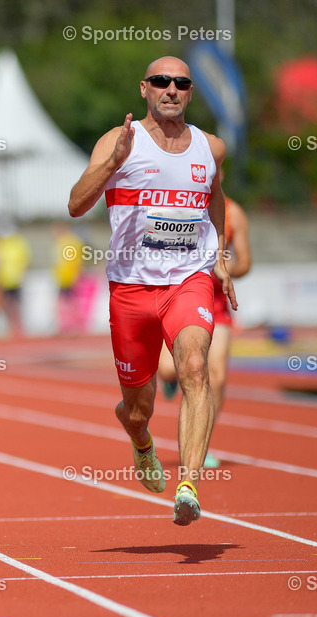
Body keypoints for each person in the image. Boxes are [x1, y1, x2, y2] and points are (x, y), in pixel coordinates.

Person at [68, 56, 236, 526]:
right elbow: (77, 204)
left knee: (196, 367)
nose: (171, 89)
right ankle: (140, 438)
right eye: (161, 81)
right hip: (131, 289)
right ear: (144, 89)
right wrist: (113, 164)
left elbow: (215, 195)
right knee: (139, 407)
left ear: (190, 92)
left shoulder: (211, 148)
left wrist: (220, 252)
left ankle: (188, 485)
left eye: (181, 83)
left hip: (189, 279)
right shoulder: (119, 141)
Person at [158, 191, 251, 468]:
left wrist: (218, 265)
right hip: (176, 298)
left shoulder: (233, 213)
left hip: (216, 304)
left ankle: (201, 443)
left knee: (217, 376)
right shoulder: (173, 204)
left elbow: (245, 263)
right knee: (167, 369)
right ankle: (173, 377)